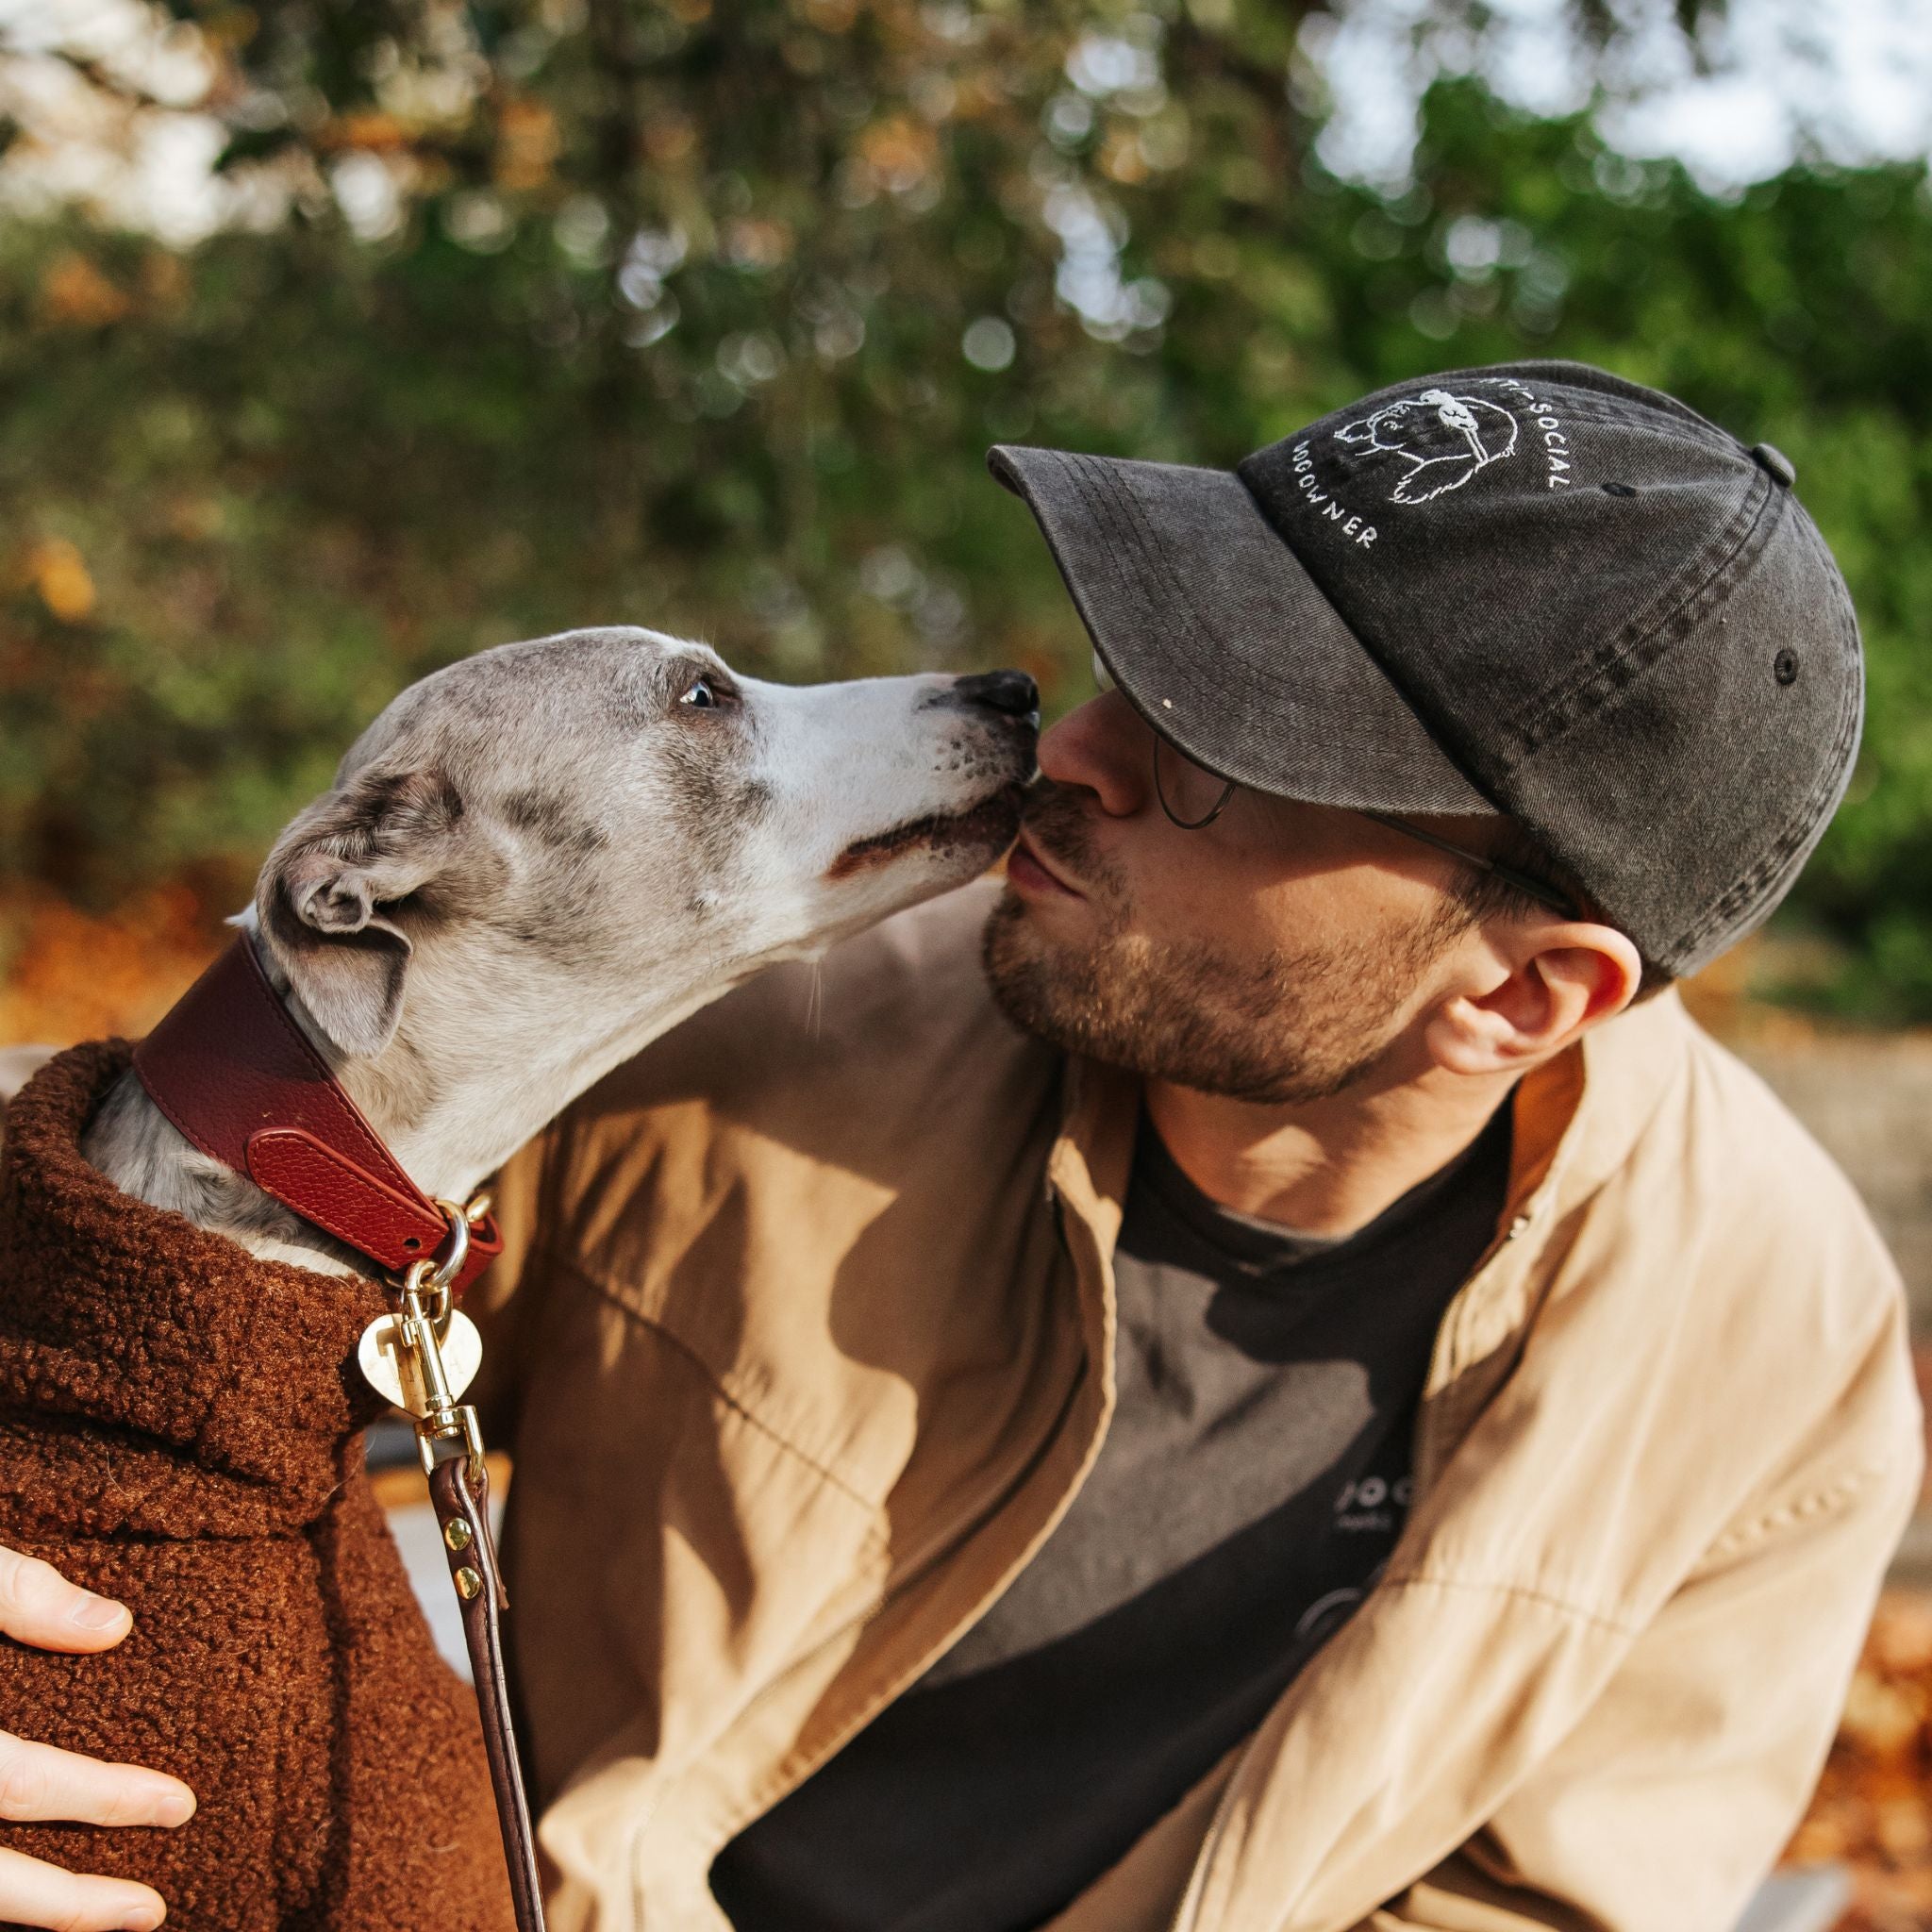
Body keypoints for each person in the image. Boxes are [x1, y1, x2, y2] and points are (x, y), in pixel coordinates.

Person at [1, 359, 1921, 1932]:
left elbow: (1538, 1909)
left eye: (1220, 750)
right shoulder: (763, 1004)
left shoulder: (1775, 1356)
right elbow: (133, 1241)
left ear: (1525, 995)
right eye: (1142, 652)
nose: (1071, 746)